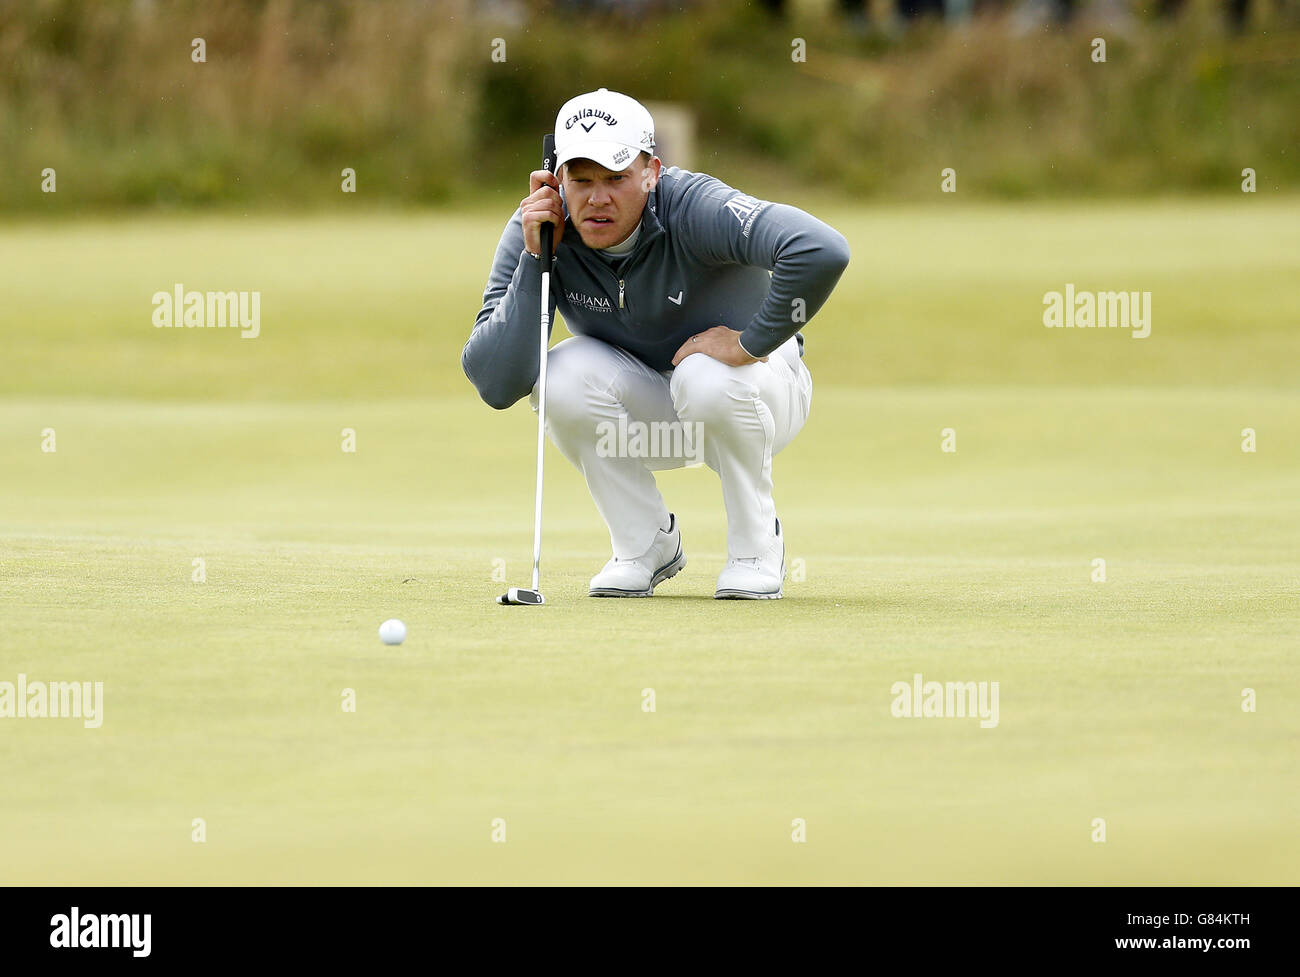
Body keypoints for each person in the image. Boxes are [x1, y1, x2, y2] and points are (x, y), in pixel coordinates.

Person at [463, 89, 850, 599]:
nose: (597, 198)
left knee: (706, 375)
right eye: (580, 180)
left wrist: (750, 343)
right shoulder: (539, 227)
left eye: (616, 178)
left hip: (759, 395)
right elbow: (495, 382)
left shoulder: (695, 206)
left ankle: (756, 548)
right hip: (654, 418)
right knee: (559, 372)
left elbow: (820, 248)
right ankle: (644, 544)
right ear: (555, 178)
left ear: (651, 171)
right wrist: (538, 262)